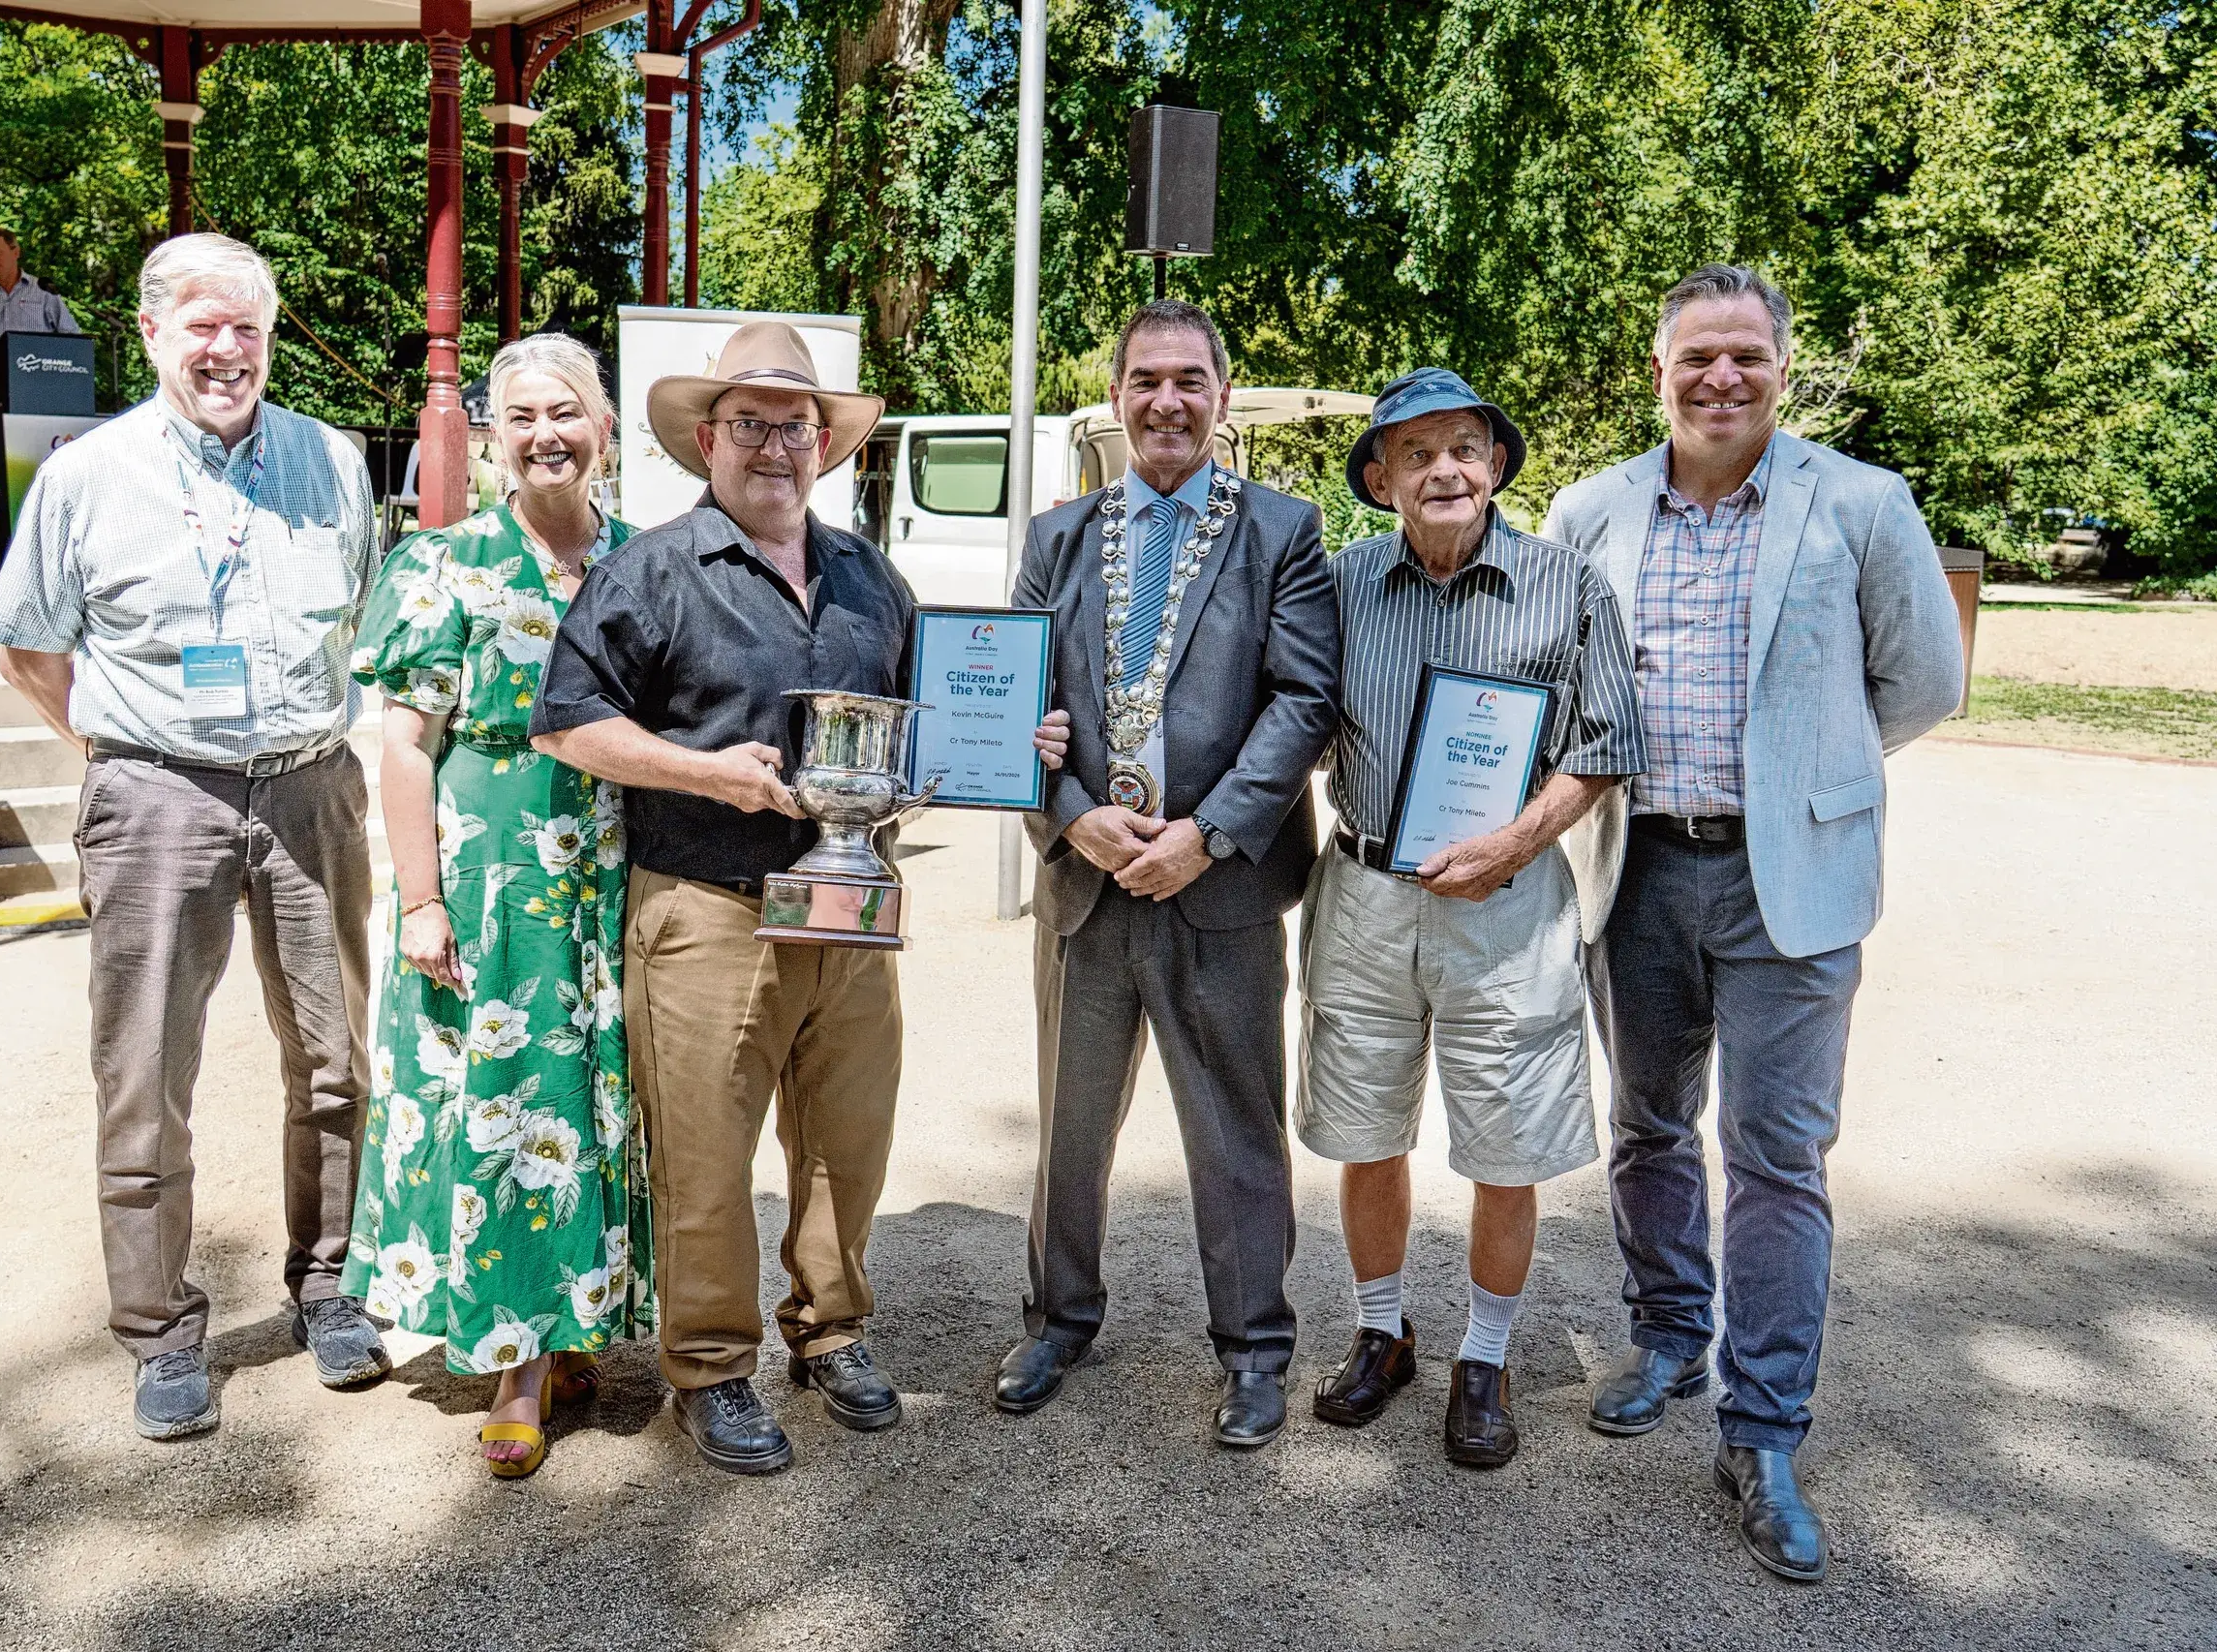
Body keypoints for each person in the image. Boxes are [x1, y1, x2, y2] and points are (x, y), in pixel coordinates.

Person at [533, 321, 1069, 1475]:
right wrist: (699, 768)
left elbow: (932, 707)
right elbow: (570, 719)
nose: (773, 446)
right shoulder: (653, 571)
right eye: (748, 425)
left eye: (793, 424)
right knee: (706, 1152)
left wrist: (1008, 741)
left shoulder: (872, 574)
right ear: (706, 440)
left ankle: (830, 1330)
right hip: (707, 903)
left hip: (849, 905)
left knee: (848, 1138)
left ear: (824, 442)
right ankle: (711, 1368)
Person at [1545, 264, 1962, 1580]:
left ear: (1782, 369)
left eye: (1744, 356)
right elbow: (1557, 678)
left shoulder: (1858, 503)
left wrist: (1802, 776)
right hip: (1640, 873)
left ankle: (1761, 1426)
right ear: (1655, 367)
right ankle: (1667, 1331)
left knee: (1776, 1156)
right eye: (1694, 357)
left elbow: (1917, 681)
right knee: (1645, 1123)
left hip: (1791, 882)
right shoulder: (1589, 509)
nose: (1718, 378)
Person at [0, 233, 388, 1441]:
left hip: (312, 784)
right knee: (147, 1073)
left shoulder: (333, 461)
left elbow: (361, 613)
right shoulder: (86, 473)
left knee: (333, 1056)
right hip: (159, 791)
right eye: (203, 327)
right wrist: (117, 759)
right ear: (154, 332)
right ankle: (161, 1328)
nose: (227, 350)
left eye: (248, 328)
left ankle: (331, 1283)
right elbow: (30, 643)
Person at [996, 299, 1339, 1449]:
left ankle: (1253, 1347)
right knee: (1068, 1120)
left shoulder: (1282, 531)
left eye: (1190, 380)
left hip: (1221, 883)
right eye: (1146, 379)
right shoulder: (1056, 537)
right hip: (1087, 882)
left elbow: (1304, 701)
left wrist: (1208, 830)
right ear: (1116, 394)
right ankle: (1058, 1316)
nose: (1167, 402)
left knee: (1235, 1127)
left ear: (1223, 396)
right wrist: (1071, 813)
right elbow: (1007, 704)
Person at [1299, 369, 1643, 1468]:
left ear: (1495, 463)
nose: (1443, 468)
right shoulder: (1338, 583)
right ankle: (1381, 1326)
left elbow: (1605, 742)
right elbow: (1290, 721)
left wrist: (1511, 842)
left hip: (1506, 900)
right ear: (1379, 477)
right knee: (1366, 1129)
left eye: (1464, 447)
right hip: (1364, 892)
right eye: (1415, 452)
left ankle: (1484, 1354)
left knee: (1508, 1140)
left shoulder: (1568, 583)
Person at [341, 332, 650, 1479]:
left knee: (596, 1102)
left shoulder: (643, 559)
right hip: (492, 883)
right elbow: (406, 749)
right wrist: (422, 900)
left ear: (604, 426)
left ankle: (576, 1321)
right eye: (520, 417)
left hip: (614, 873)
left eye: (566, 411)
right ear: (491, 438)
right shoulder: (442, 564)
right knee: (509, 1103)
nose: (545, 435)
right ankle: (517, 1355)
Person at [0, 228, 82, 548]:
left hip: (36, 393)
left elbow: (71, 335)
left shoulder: (44, 292)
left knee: (35, 461)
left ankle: (37, 535)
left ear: (15, 252)